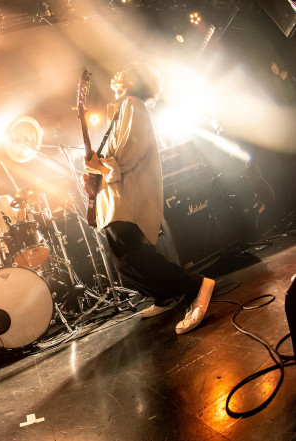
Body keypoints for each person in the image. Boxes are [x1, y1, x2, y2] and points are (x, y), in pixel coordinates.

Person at [82, 62, 215, 335]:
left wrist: (99, 166)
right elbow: (114, 159)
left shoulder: (132, 104)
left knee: (132, 259)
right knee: (126, 263)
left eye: (122, 74)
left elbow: (128, 154)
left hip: (126, 200)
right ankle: (164, 296)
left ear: (132, 80)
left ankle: (195, 285)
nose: (116, 77)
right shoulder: (122, 109)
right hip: (116, 200)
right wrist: (96, 172)